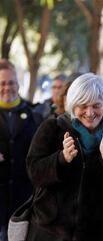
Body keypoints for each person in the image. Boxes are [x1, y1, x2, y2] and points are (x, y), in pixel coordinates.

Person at [25, 73, 103, 241]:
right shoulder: (52, 128)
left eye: (96, 105)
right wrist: (61, 159)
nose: (90, 112)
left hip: (102, 233)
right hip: (51, 232)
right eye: (83, 106)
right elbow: (34, 172)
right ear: (72, 105)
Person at [0, 59, 43, 241]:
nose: (7, 88)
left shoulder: (34, 115)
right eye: (2, 83)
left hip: (24, 202)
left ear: (18, 84)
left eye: (11, 82)